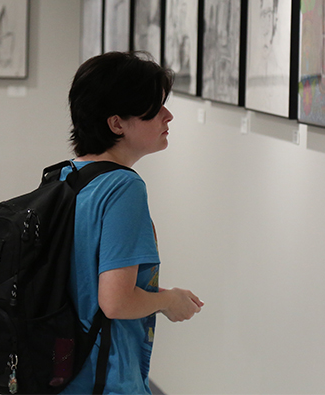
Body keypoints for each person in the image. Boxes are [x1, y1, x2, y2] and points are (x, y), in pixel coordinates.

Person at [60, 51, 204, 394]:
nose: (168, 116)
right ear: (117, 124)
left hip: (63, 372)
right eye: (154, 110)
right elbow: (116, 301)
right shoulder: (124, 189)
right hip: (104, 377)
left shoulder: (67, 176)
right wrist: (169, 300)